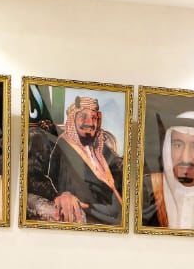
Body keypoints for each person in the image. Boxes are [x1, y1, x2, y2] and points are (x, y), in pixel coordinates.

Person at [25, 95, 125, 226]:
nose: (90, 122)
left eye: (94, 118)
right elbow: (34, 178)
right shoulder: (59, 146)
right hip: (91, 215)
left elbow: (121, 169)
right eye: (83, 116)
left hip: (119, 214)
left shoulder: (100, 148)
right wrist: (61, 195)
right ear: (72, 120)